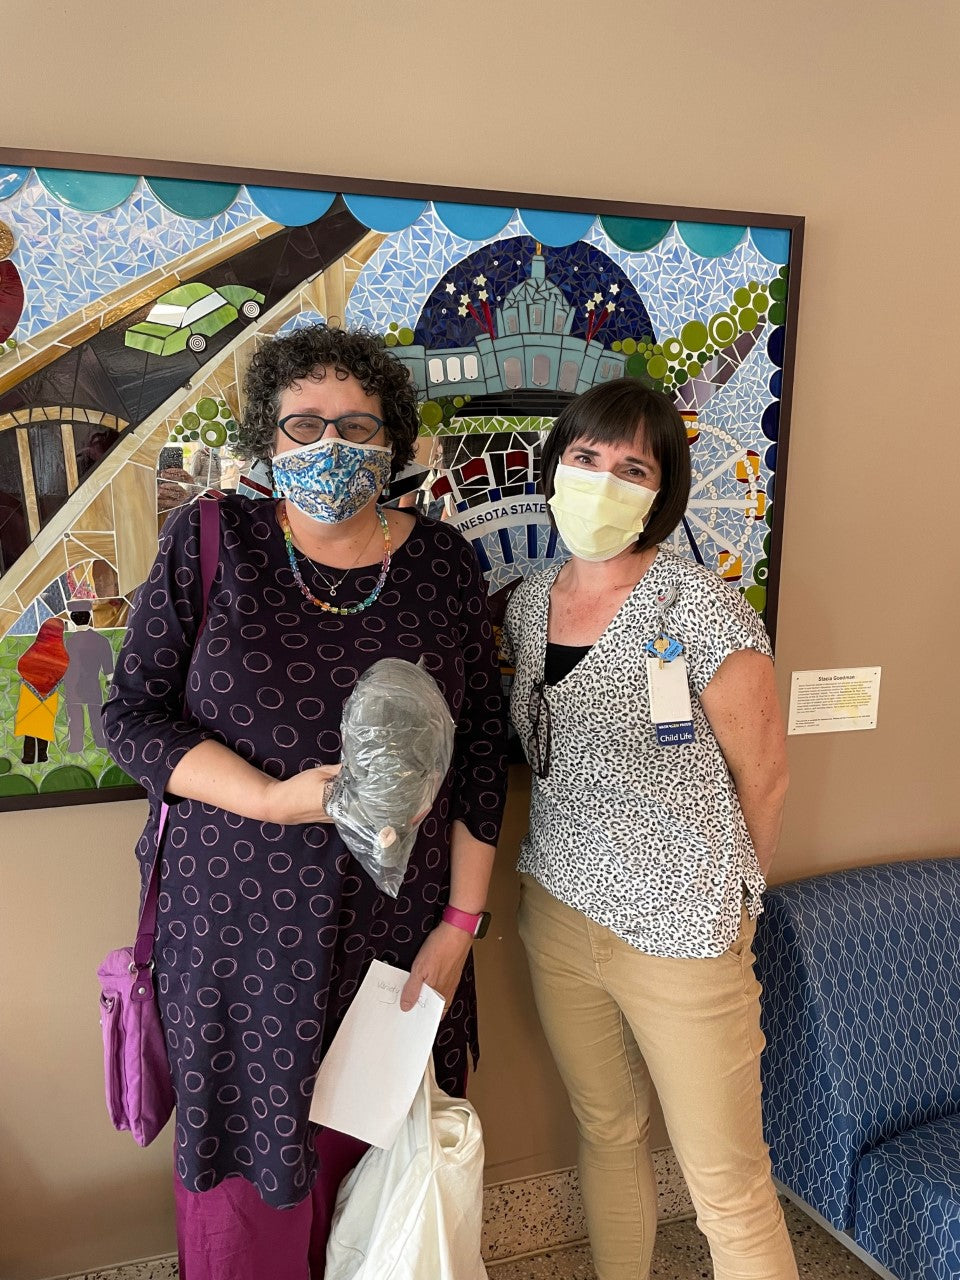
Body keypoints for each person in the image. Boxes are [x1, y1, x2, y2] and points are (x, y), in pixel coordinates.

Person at [102, 324, 507, 1280]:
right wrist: (269, 799)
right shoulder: (212, 539)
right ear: (268, 442)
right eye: (304, 426)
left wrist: (461, 924)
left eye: (358, 425)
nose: (331, 447)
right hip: (236, 934)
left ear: (396, 441)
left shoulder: (445, 566)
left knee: (381, 1185)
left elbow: (483, 750)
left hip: (398, 934)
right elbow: (131, 719)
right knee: (247, 1186)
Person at [503, 378, 798, 1280]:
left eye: (633, 468)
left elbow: (768, 774)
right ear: (556, 465)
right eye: (587, 458)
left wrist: (726, 903)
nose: (603, 480)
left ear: (660, 494)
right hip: (555, 910)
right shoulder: (524, 602)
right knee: (607, 1128)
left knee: (727, 1186)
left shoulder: (698, 611)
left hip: (683, 935)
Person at [14, 616, 69, 764]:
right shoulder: (61, 653)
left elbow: (22, 665)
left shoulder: (34, 650)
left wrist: (31, 681)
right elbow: (62, 668)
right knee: (43, 728)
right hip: (49, 695)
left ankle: (28, 757)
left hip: (30, 695)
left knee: (30, 729)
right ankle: (42, 756)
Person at [63, 600, 114, 752]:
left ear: (72, 618)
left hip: (72, 685)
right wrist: (110, 680)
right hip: (92, 683)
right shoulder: (101, 640)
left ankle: (76, 745)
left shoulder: (68, 642)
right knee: (96, 714)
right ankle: (100, 741)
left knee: (75, 717)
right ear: (89, 617)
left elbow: (63, 664)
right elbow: (108, 666)